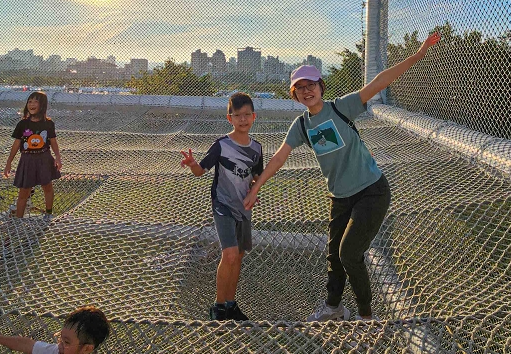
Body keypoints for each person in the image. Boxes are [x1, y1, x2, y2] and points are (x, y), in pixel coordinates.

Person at [243, 33, 440, 321]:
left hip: (371, 190)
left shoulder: (341, 107)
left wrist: (419, 55)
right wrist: (256, 186)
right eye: (300, 88)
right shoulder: (301, 125)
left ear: (321, 86)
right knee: (334, 255)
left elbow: (380, 82)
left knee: (349, 254)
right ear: (295, 95)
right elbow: (280, 157)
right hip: (339, 196)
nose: (307, 91)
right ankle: (334, 307)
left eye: (311, 84)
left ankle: (365, 316)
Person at [181, 92, 263, 321]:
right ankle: (217, 306)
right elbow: (200, 172)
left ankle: (230, 304)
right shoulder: (221, 145)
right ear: (230, 118)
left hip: (243, 209)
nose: (243, 119)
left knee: (238, 256)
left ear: (254, 116)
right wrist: (192, 163)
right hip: (223, 206)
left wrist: (254, 191)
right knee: (228, 255)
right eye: (238, 116)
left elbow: (256, 177)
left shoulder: (257, 148)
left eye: (247, 115)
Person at [5, 91, 62, 218]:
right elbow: (16, 144)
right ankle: (18, 220)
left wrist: (58, 157)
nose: (32, 104)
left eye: (35, 101)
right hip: (27, 160)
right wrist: (9, 162)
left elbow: (53, 141)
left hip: (44, 158)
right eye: (30, 101)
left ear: (42, 105)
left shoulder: (48, 123)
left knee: (47, 186)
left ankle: (48, 214)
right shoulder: (23, 124)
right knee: (24, 191)